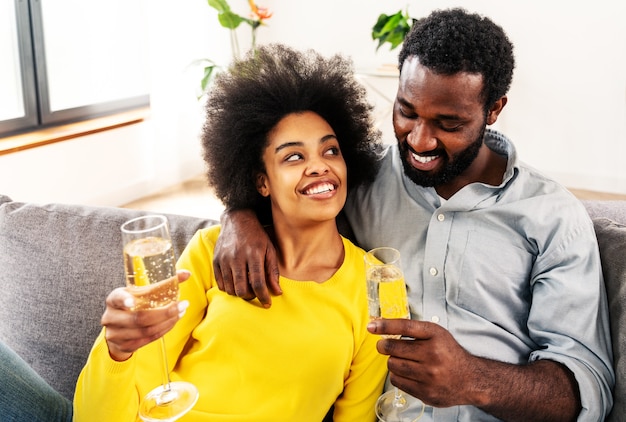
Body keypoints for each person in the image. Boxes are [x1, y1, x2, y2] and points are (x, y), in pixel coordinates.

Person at [212, 8, 615, 421]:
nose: (419, 140)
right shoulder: (361, 179)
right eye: (406, 111)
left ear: (494, 109)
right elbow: (286, 185)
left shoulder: (552, 218)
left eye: (448, 122)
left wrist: (472, 379)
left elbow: (585, 392)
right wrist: (239, 213)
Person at [73, 44, 388, 421]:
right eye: (293, 157)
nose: (319, 166)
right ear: (262, 182)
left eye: (331, 151)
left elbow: (358, 415)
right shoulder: (210, 250)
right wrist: (117, 351)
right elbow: (104, 411)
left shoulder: (375, 286)